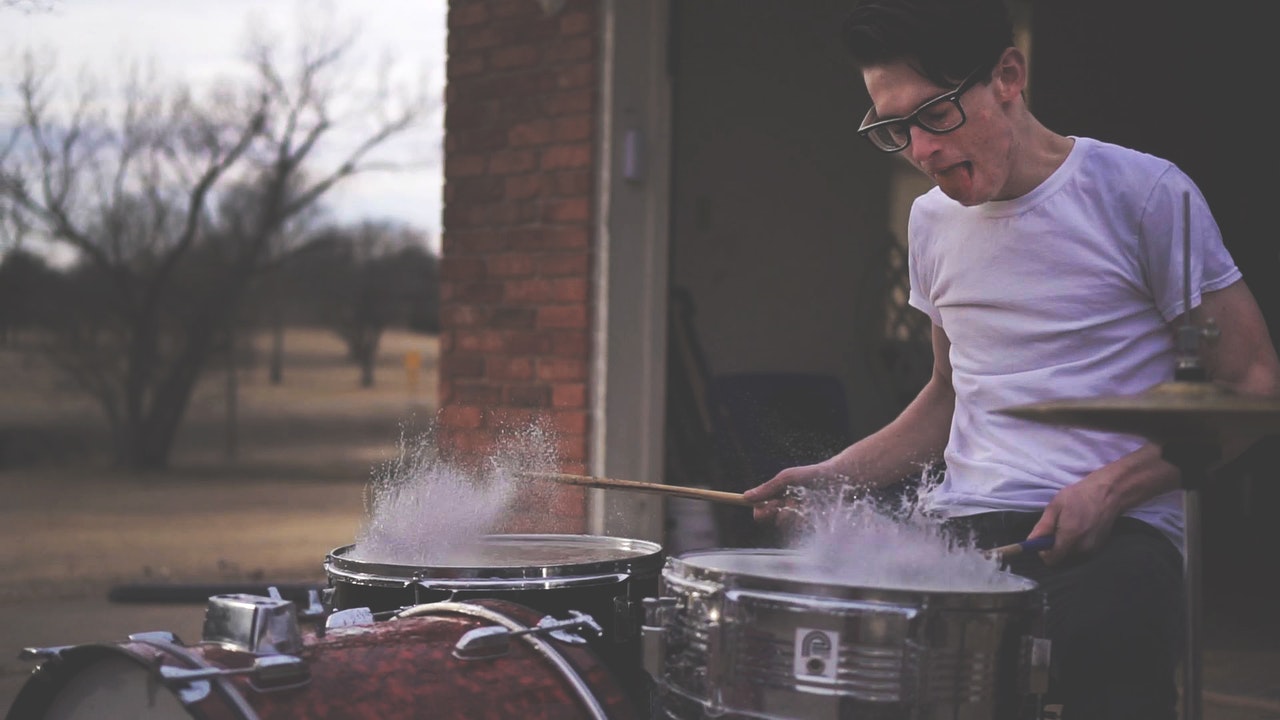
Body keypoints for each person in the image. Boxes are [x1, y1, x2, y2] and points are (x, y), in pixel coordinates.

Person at [741, 0, 1280, 718]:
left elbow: (1253, 385)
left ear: (1008, 76)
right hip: (965, 523)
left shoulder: (1141, 194)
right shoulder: (930, 221)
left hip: (1119, 539)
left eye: (934, 114)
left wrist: (1114, 489)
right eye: (895, 128)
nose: (921, 151)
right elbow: (946, 394)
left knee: (1094, 632)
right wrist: (831, 477)